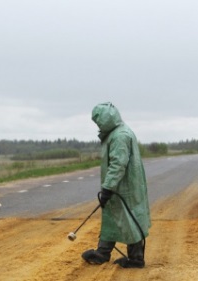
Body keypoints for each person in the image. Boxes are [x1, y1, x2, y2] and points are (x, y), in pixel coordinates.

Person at [81, 102, 151, 268]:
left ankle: (136, 259)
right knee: (113, 216)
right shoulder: (117, 132)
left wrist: (107, 187)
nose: (98, 125)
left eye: (99, 121)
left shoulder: (120, 136)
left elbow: (118, 164)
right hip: (120, 186)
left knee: (128, 220)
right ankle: (102, 253)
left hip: (123, 187)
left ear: (106, 119)